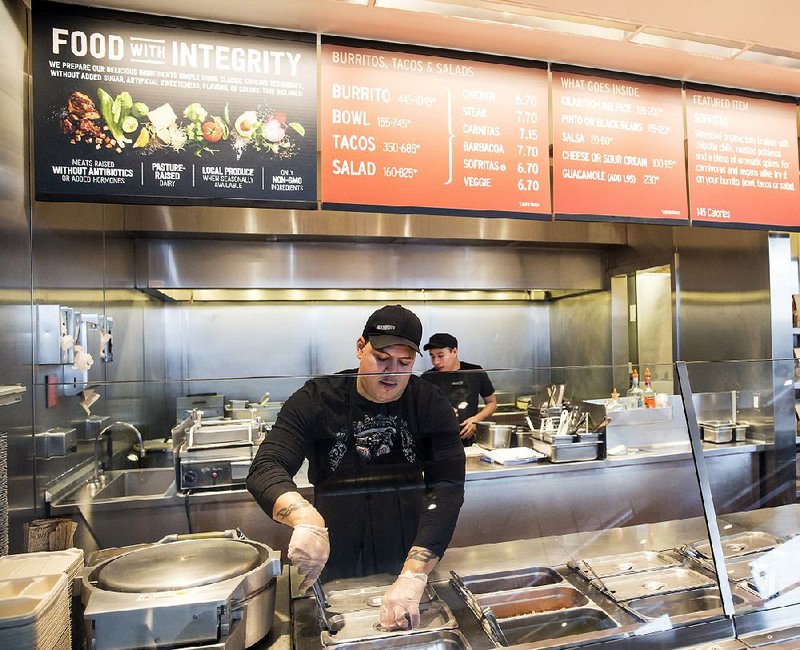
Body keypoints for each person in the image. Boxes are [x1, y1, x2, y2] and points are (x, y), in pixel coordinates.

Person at [247, 305, 466, 631]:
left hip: (410, 549)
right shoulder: (317, 398)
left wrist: (415, 572)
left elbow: (447, 484)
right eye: (381, 358)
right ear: (360, 347)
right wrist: (304, 520)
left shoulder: (428, 401)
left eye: (404, 363)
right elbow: (267, 466)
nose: (391, 372)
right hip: (333, 551)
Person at [422, 332, 497, 446]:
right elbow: (419, 411)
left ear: (454, 351)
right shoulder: (427, 378)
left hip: (469, 440)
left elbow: (492, 403)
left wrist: (476, 420)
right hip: (437, 441)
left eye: (441, 355)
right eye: (432, 356)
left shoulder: (474, 372)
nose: (436, 361)